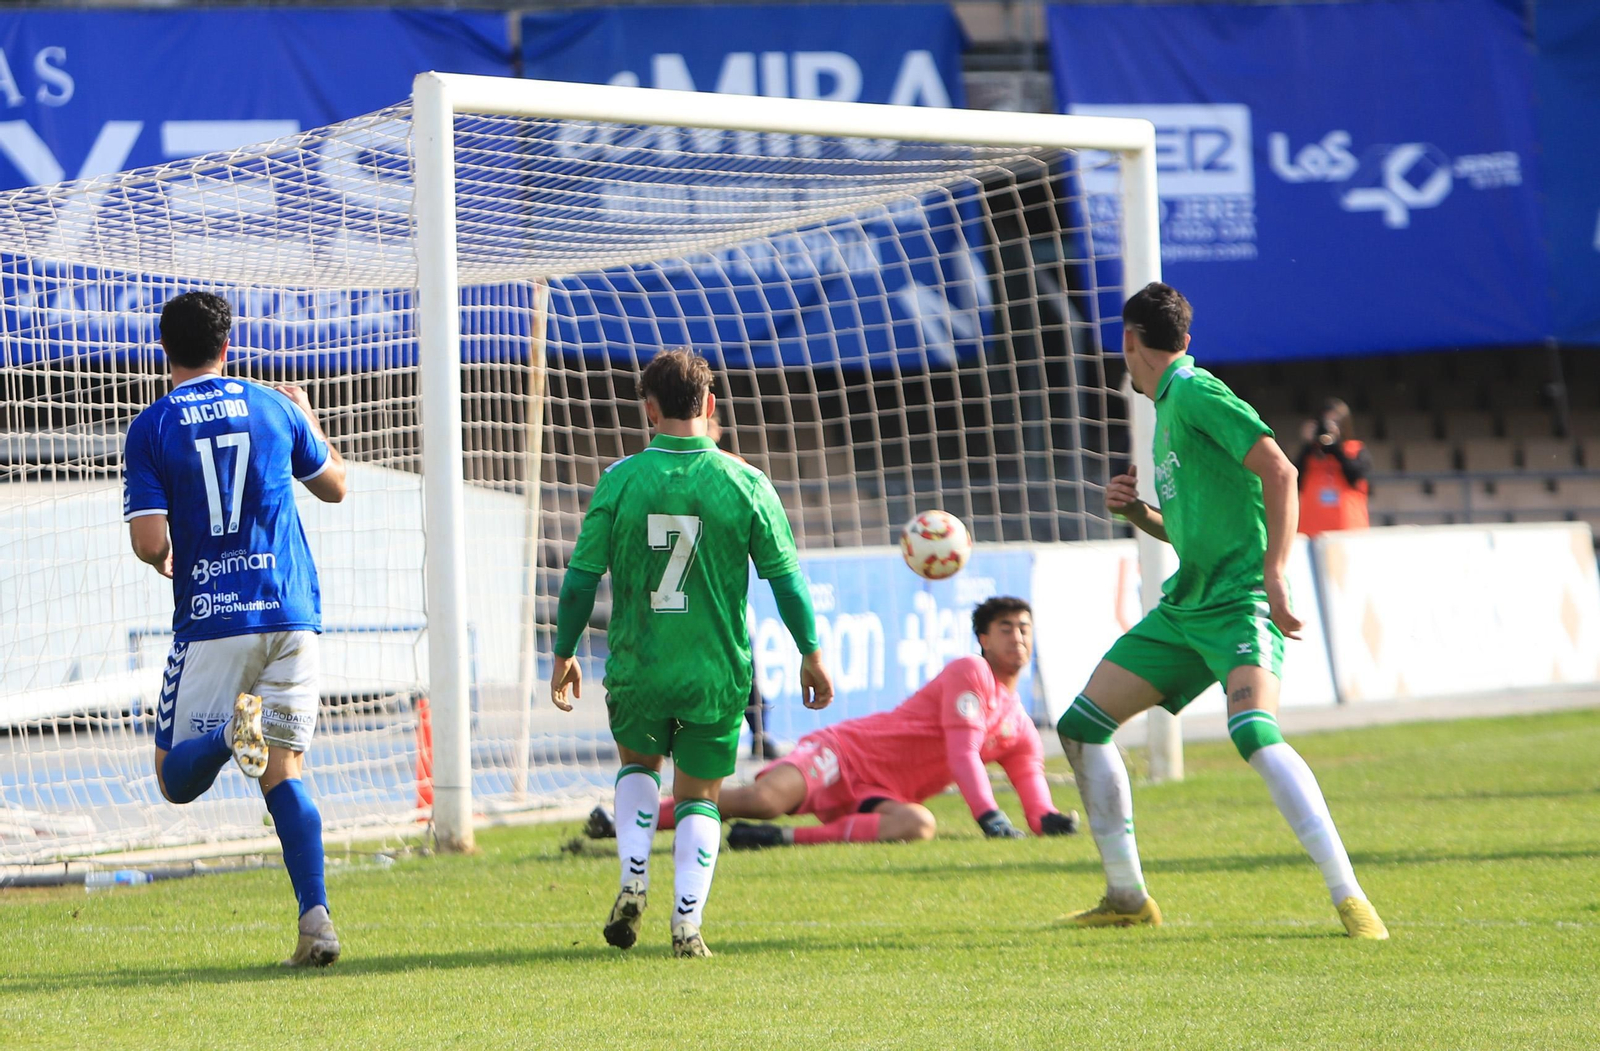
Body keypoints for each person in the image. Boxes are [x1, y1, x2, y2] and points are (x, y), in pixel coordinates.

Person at [1055, 283, 1387, 938]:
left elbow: (1282, 471)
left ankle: (1351, 898)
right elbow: (1192, 531)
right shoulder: (1171, 409)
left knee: (1254, 734)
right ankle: (1126, 895)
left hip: (1239, 601)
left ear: (1129, 341)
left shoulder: (1198, 393)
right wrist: (1137, 513)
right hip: (1187, 607)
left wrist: (1274, 575)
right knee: (1081, 726)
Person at [550, 348, 833, 958]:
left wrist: (564, 651)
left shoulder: (621, 479)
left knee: (639, 770)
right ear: (709, 406)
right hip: (715, 670)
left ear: (649, 410)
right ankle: (686, 925)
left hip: (639, 664)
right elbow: (787, 580)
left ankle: (632, 876)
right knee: (701, 795)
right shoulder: (745, 481)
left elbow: (579, 580)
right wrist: (810, 651)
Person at [123, 291, 348, 966]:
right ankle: (317, 919)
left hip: (213, 620)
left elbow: (148, 538)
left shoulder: (154, 425)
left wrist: (166, 556)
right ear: (231, 341)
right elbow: (336, 485)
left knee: (173, 778)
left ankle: (227, 732)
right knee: (284, 767)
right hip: (290, 614)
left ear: (163, 349)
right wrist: (309, 415)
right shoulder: (276, 405)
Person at [586, 596, 1080, 848]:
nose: (1017, 638)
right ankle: (627, 821)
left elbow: (1030, 779)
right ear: (983, 639)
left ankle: (779, 841)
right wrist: (989, 818)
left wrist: (1046, 820)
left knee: (917, 824)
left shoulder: (1017, 720)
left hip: (880, 791)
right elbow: (962, 753)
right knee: (762, 799)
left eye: (1025, 629)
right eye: (1005, 629)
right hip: (846, 753)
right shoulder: (969, 673)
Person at [1294, 398, 1372, 536]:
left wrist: (1336, 448)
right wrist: (1307, 445)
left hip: (1348, 529)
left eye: (1335, 423)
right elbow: (1295, 480)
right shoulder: (1309, 454)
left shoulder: (1355, 449)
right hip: (1311, 530)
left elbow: (1355, 477)